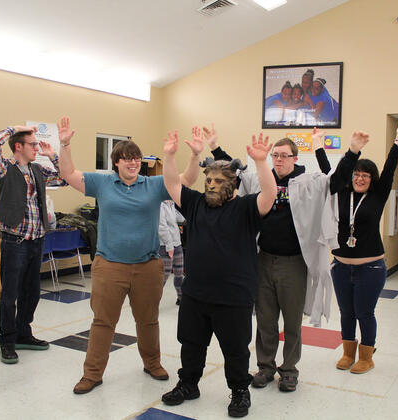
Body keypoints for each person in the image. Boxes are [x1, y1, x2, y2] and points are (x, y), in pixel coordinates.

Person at [57, 117, 203, 395]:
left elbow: (186, 180)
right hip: (109, 266)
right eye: (126, 159)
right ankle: (92, 374)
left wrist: (195, 154)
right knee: (103, 322)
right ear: (116, 162)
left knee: (148, 320)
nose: (132, 163)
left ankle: (152, 363)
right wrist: (65, 144)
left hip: (147, 266)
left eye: (136, 159)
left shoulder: (154, 185)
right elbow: (69, 174)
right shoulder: (102, 183)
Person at [239, 131, 367, 393]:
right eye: (275, 156)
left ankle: (289, 370)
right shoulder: (262, 179)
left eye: (283, 156)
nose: (278, 160)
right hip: (264, 259)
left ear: (295, 158)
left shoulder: (309, 181)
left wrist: (353, 151)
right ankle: (265, 366)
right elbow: (236, 176)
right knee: (265, 319)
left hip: (294, 263)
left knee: (292, 320)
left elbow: (339, 179)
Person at [161, 131, 277, 418]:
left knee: (236, 350)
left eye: (218, 181)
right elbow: (172, 183)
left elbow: (270, 195)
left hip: (233, 295)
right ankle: (189, 384)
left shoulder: (246, 207)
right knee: (191, 343)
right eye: (208, 180)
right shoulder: (196, 203)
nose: (211, 185)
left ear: (233, 184)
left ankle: (239, 391)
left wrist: (262, 162)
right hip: (196, 293)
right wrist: (171, 155)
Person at [332, 121, 398, 374]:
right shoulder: (341, 195)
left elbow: (389, 169)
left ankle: (366, 356)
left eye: (365, 175)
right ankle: (348, 353)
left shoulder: (378, 196)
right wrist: (318, 146)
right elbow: (330, 172)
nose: (360, 178)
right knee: (346, 312)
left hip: (371, 267)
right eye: (356, 174)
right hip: (341, 267)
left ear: (372, 180)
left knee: (365, 312)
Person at [0, 121, 67, 364]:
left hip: (36, 241)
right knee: (10, 295)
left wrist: (52, 156)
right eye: (32, 144)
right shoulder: (4, 168)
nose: (36, 148)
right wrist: (12, 128)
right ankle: (7, 341)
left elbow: (63, 179)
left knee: (31, 292)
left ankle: (23, 333)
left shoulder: (37, 170)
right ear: (18, 146)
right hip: (15, 242)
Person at [159, 200, 185, 304]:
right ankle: (151, 302)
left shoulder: (171, 204)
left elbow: (181, 219)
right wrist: (169, 247)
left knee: (179, 274)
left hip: (177, 244)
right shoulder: (160, 205)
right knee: (163, 277)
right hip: (165, 246)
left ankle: (181, 298)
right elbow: (161, 228)